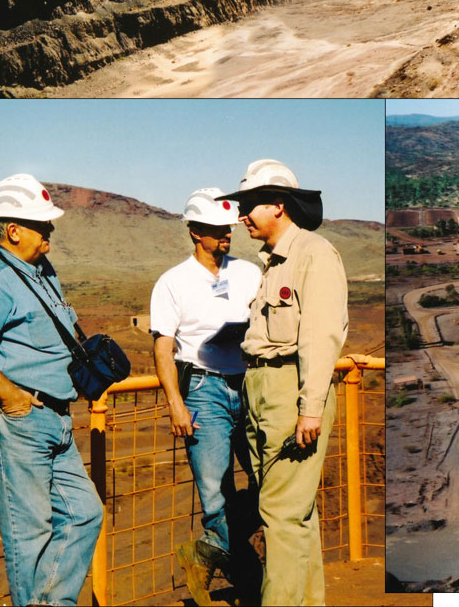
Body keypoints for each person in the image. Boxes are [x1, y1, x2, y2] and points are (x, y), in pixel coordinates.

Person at [0, 174, 103, 607]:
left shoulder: (39, 272)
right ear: (14, 230)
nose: (50, 233)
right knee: (30, 535)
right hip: (17, 419)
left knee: (84, 514)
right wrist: (11, 397)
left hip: (54, 416)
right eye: (42, 225)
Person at [220, 160, 347, 607]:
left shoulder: (313, 254)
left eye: (250, 206)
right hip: (261, 391)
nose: (241, 216)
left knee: (280, 514)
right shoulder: (273, 264)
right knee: (294, 514)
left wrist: (310, 406)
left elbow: (320, 334)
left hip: (290, 391)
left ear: (278, 206)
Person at [149, 187, 263, 607]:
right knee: (214, 489)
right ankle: (249, 575)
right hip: (202, 388)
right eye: (216, 230)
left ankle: (210, 548)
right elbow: (163, 346)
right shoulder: (173, 282)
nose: (226, 236)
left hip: (250, 384)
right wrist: (176, 403)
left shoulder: (249, 273)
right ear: (195, 231)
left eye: (228, 229)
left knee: (267, 480)